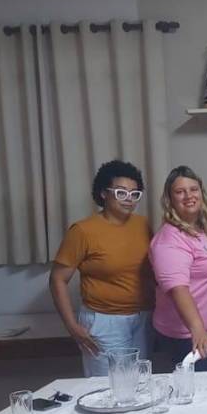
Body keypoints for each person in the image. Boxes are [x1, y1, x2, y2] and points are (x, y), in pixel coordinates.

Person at [50, 160, 153, 377]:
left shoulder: (143, 225)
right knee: (109, 387)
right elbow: (57, 279)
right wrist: (72, 326)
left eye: (134, 194)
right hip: (105, 321)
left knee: (139, 384)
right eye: (121, 192)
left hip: (142, 318)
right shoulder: (83, 231)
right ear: (104, 193)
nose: (129, 199)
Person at [149, 166, 207, 370]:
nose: (189, 196)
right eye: (180, 192)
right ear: (170, 200)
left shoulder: (204, 231)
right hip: (190, 337)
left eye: (193, 189)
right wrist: (198, 329)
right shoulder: (169, 238)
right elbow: (178, 288)